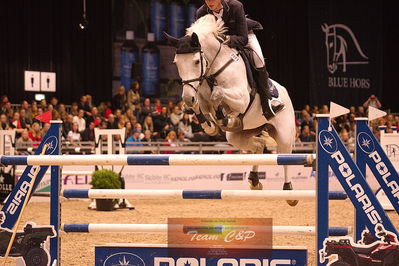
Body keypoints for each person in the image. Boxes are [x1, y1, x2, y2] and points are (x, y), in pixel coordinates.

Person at [196, 0, 284, 119]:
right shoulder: (201, 12)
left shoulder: (235, 6)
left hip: (243, 36)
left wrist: (227, 39)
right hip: (219, 43)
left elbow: (243, 39)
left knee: (259, 61)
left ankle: (267, 103)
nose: (209, 2)